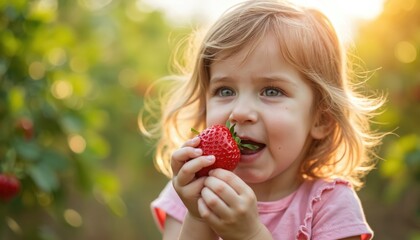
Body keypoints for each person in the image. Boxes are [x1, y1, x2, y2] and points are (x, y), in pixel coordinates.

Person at [140, 0, 386, 239]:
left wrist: (250, 235)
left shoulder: (331, 207)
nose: (240, 112)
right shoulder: (187, 191)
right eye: (225, 91)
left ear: (320, 119)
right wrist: (198, 216)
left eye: (271, 91)